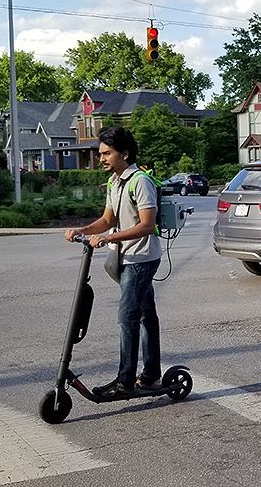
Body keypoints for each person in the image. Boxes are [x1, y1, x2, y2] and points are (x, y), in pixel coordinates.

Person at [64, 126, 162, 398]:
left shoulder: (139, 181)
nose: (102, 158)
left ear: (125, 153)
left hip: (141, 257)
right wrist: (83, 231)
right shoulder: (114, 182)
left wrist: (109, 238)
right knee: (145, 314)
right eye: (100, 153)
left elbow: (147, 225)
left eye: (107, 153)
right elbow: (107, 220)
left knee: (127, 316)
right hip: (125, 256)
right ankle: (151, 375)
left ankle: (125, 381)